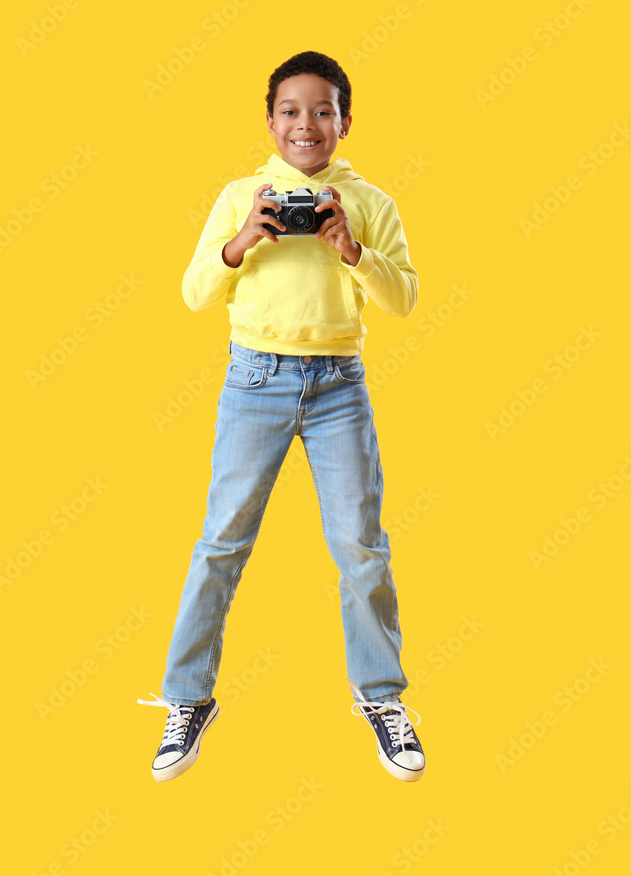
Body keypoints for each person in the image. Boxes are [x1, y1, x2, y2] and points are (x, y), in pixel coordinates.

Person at [138, 50, 425, 783]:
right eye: (290, 112)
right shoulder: (240, 195)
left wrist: (351, 249)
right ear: (269, 123)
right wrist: (243, 242)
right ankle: (186, 697)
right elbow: (194, 292)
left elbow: (403, 300)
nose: (306, 124)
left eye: (321, 111)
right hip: (254, 381)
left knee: (361, 545)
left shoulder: (369, 202)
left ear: (344, 121)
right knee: (220, 541)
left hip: (339, 385)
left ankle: (381, 697)